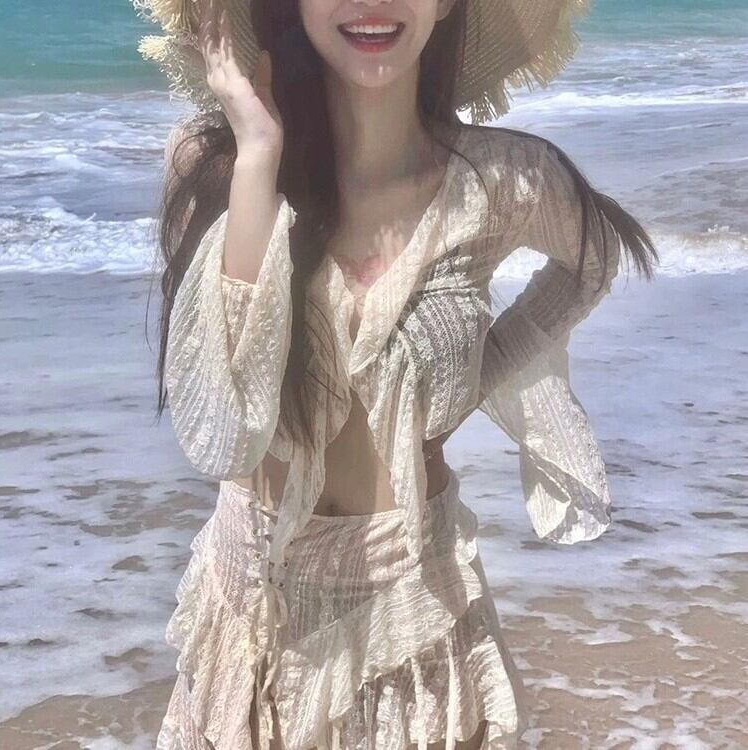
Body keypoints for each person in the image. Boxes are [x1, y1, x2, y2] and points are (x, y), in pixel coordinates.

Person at [132, 0, 658, 747]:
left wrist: (475, 377)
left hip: (417, 610)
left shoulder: (504, 181)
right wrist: (257, 157)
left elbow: (592, 263)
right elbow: (223, 433)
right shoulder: (214, 163)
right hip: (254, 615)